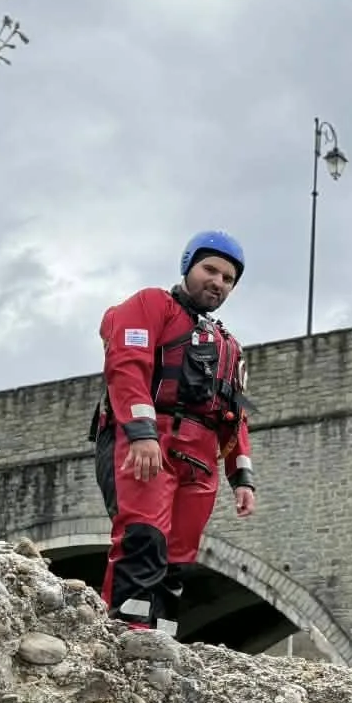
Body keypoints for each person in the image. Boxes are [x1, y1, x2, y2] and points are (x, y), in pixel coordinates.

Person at [90, 230, 258, 634]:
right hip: (151, 440)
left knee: (179, 555)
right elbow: (127, 367)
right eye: (209, 270)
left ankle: (161, 636)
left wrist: (242, 477)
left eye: (228, 278)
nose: (217, 282)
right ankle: (126, 629)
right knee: (143, 536)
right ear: (188, 265)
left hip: (199, 456)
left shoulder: (229, 345)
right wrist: (142, 433)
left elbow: (234, 414)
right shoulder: (152, 305)